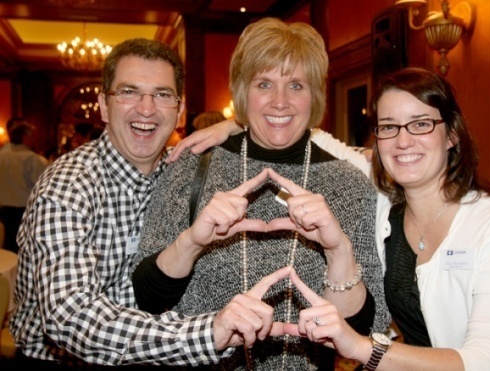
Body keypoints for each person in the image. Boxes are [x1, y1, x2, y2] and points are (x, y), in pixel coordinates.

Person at [9, 37, 292, 369]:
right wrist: (207, 333)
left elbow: (302, 130)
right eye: (128, 92)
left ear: (179, 109)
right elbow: (70, 318)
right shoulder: (69, 185)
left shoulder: (180, 170)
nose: (146, 109)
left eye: (161, 95)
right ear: (103, 105)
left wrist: (237, 124)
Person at [131, 17, 390, 370]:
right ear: (242, 92)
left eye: (296, 85)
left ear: (315, 94)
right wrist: (192, 241)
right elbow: (145, 298)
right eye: (264, 84)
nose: (280, 101)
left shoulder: (349, 183)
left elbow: (366, 330)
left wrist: (338, 249)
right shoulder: (193, 169)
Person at [278, 67, 490, 370]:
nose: (403, 141)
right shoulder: (383, 203)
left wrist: (361, 347)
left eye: (420, 124)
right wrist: (235, 124)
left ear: (451, 135)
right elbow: (319, 142)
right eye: (388, 127)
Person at [0, 117, 49, 252]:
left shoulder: (2, 155)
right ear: (25, 137)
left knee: (7, 246)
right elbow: (44, 185)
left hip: (4, 210)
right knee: (23, 250)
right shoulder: (31, 158)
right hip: (23, 211)